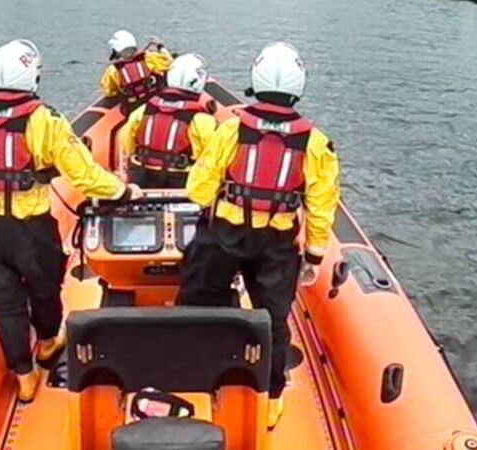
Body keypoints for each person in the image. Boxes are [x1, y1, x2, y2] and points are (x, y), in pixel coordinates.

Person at [0, 39, 142, 402]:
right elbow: (85, 176)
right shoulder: (45, 122)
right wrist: (123, 192)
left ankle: (23, 376)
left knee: (5, 301)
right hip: (30, 227)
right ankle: (47, 343)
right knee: (45, 286)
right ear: (32, 77)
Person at [176, 42, 340, 429]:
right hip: (277, 245)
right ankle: (270, 397)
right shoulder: (315, 144)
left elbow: (198, 189)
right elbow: (321, 203)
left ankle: (195, 372)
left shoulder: (232, 129)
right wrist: (315, 255)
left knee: (198, 299)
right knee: (273, 318)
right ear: (298, 86)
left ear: (256, 81)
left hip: (223, 235)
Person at [116, 54, 217, 188]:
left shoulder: (145, 109)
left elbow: (125, 139)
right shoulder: (202, 120)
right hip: (180, 179)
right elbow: (210, 157)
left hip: (141, 175)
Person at [99, 30, 173, 108]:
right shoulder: (149, 57)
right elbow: (170, 62)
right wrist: (160, 46)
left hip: (133, 108)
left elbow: (108, 91)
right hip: (155, 103)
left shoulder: (113, 70)